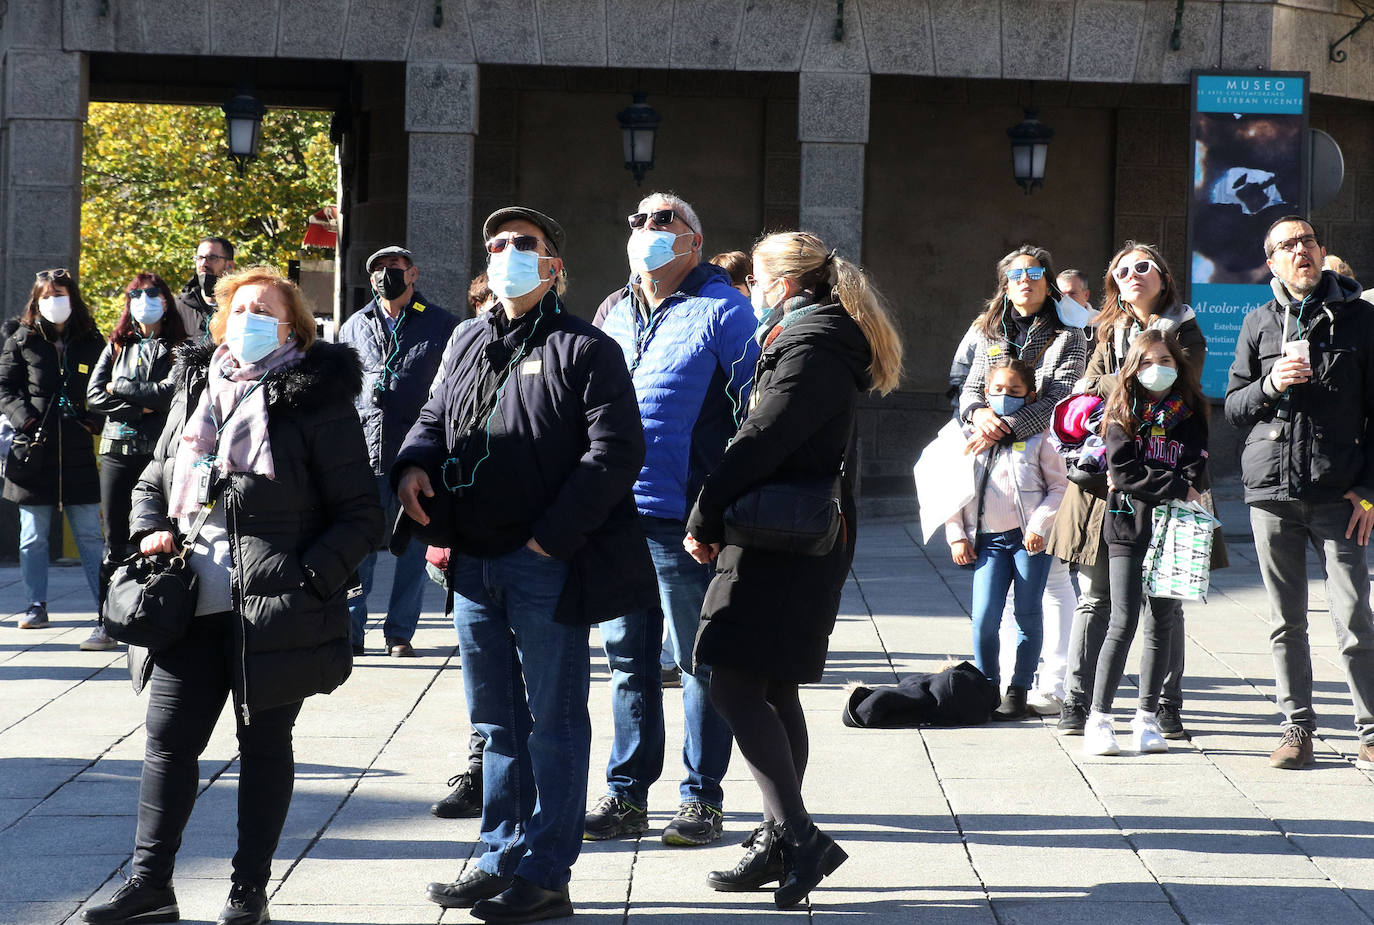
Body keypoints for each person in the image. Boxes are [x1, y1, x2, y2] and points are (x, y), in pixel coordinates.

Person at [81, 266, 382, 925]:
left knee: (265, 746)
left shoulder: (318, 399)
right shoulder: (198, 386)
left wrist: (307, 581)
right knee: (166, 742)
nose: (247, 316)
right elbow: (150, 482)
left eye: (264, 309)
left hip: (274, 613)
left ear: (293, 325)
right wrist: (152, 529)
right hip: (186, 604)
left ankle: (248, 890)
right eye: (237, 307)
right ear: (219, 319)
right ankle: (150, 884)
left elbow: (363, 513)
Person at [407, 207, 655, 923]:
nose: (508, 252)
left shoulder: (587, 348)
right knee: (495, 722)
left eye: (526, 244)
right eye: (498, 244)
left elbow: (615, 453)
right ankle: (498, 853)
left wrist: (552, 537)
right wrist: (412, 467)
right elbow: (432, 418)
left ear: (554, 266)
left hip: (542, 560)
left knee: (553, 720)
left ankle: (547, 871)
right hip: (472, 562)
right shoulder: (464, 336)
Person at [684, 230, 903, 908]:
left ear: (784, 284)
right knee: (772, 690)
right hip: (791, 534)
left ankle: (799, 836)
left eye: (755, 279)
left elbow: (761, 439)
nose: (749, 291)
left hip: (779, 540)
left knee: (733, 686)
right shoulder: (814, 335)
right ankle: (783, 839)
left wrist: (705, 512)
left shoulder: (809, 345)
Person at [585, 192, 757, 847]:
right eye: (638, 220)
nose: (647, 230)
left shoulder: (724, 309)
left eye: (664, 221)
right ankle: (627, 795)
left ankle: (701, 800)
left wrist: (721, 506)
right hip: (616, 514)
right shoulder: (613, 308)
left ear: (693, 239)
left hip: (689, 522)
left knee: (698, 662)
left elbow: (754, 414)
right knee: (628, 662)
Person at [1226, 215, 1374, 772]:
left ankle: (1370, 730)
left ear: (1322, 250)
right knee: (1285, 619)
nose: (1301, 251)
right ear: (1272, 262)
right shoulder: (1259, 322)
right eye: (1287, 246)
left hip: (1340, 494)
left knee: (1355, 614)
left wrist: (1368, 491)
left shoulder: (1361, 321)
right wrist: (1270, 384)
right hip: (1271, 491)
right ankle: (1296, 727)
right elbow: (1234, 407)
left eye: (1308, 242)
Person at [1050, 242, 1213, 740]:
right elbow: (1088, 385)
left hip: (1171, 492)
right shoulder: (1109, 329)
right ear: (1114, 284)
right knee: (1097, 598)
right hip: (1107, 488)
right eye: (1122, 271)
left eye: (1143, 267)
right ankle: (1079, 703)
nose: (1132, 275)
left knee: (1167, 602)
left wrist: (1110, 381)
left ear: (1163, 277)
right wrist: (1113, 382)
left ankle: (1164, 704)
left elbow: (1175, 386)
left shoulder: (1185, 330)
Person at [958, 246, 1088, 716]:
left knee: (1051, 586)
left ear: (1047, 282)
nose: (1025, 280)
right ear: (1004, 283)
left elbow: (1058, 397)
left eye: (1034, 273)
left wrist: (1006, 425)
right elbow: (972, 386)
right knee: (994, 607)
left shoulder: (1069, 336)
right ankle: (1000, 681)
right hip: (990, 461)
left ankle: (1051, 681)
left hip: (1045, 457)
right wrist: (978, 415)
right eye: (1015, 274)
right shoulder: (989, 330)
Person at [1085, 330, 1208, 756]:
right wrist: (1176, 484)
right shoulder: (1120, 412)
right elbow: (1123, 474)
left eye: (1168, 361)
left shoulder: (1191, 412)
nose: (1159, 368)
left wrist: (1181, 486)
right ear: (1134, 368)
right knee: (1122, 621)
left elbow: (1197, 468)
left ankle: (1147, 717)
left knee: (1163, 621)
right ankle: (1099, 718)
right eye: (1149, 360)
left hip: (1176, 528)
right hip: (1126, 525)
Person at [338, 245, 456, 657]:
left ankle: (399, 635)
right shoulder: (354, 325)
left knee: (411, 548)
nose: (385, 275)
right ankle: (353, 632)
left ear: (413, 274)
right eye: (377, 270)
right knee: (361, 550)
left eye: (394, 268)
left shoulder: (442, 324)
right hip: (364, 453)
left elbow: (451, 390)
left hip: (416, 455)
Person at [946, 358, 1067, 718]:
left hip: (1029, 541)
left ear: (1030, 397)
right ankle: (987, 685)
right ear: (984, 394)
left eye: (1014, 392)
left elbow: (1060, 487)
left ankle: (1019, 687)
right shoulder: (968, 439)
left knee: (1028, 614)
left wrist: (1038, 526)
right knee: (985, 616)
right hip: (988, 542)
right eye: (997, 390)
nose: (1004, 397)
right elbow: (950, 491)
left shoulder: (1039, 437)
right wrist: (957, 536)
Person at [83, 273, 188, 651]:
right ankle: (107, 621)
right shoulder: (116, 345)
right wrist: (138, 405)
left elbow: (167, 394)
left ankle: (155, 613)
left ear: (165, 300)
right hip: (115, 451)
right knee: (114, 540)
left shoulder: (179, 347)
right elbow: (94, 395)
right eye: (136, 294)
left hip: (156, 453)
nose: (144, 300)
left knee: (157, 533)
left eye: (152, 293)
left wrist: (121, 388)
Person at [427, 271, 497, 822]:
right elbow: (436, 421)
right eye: (483, 304)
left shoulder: (565, 346)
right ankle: (480, 769)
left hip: (531, 546)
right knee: (481, 670)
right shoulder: (464, 345)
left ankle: (517, 775)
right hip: (464, 541)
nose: (492, 312)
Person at [0, 269, 106, 631]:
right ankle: (34, 605)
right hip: (34, 451)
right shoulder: (22, 338)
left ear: (72, 298)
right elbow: (6, 387)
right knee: (32, 536)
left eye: (60, 294)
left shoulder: (92, 340)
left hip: (77, 451)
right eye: (46, 296)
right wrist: (25, 420)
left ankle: (105, 611)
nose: (53, 302)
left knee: (91, 535)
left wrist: (94, 420)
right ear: (36, 300)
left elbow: (107, 387)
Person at [174, 236, 236, 342]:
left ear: (229, 266)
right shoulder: (180, 308)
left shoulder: (240, 306)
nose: (203, 264)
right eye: (199, 258)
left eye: (212, 258)